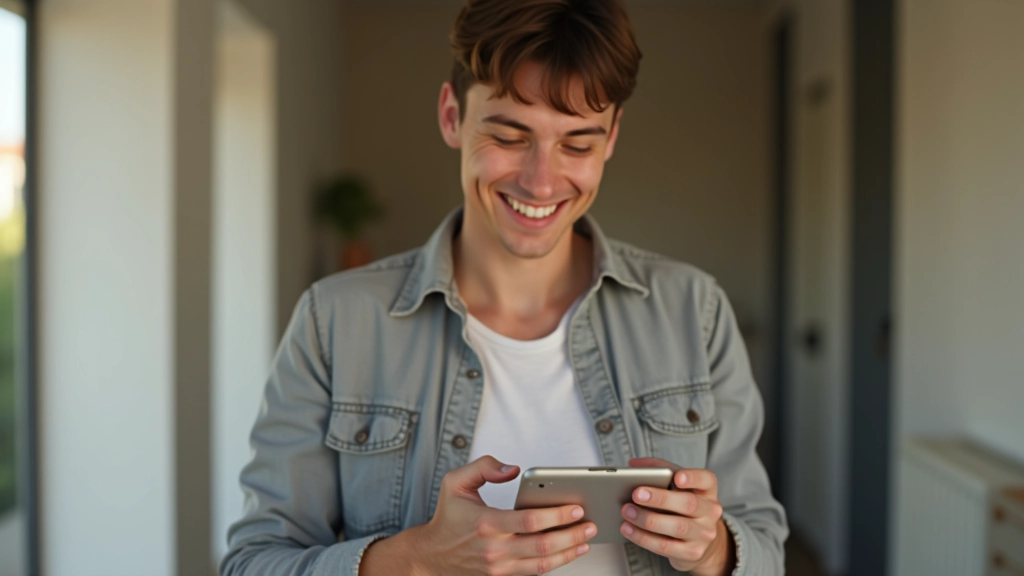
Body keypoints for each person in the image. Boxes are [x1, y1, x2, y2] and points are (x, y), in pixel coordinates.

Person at [220, 1, 787, 574]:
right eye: (511, 137)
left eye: (577, 144)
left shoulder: (694, 310)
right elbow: (253, 563)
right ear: (451, 117)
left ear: (612, 136)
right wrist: (414, 560)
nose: (541, 182)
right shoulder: (336, 322)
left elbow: (764, 544)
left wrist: (713, 548)